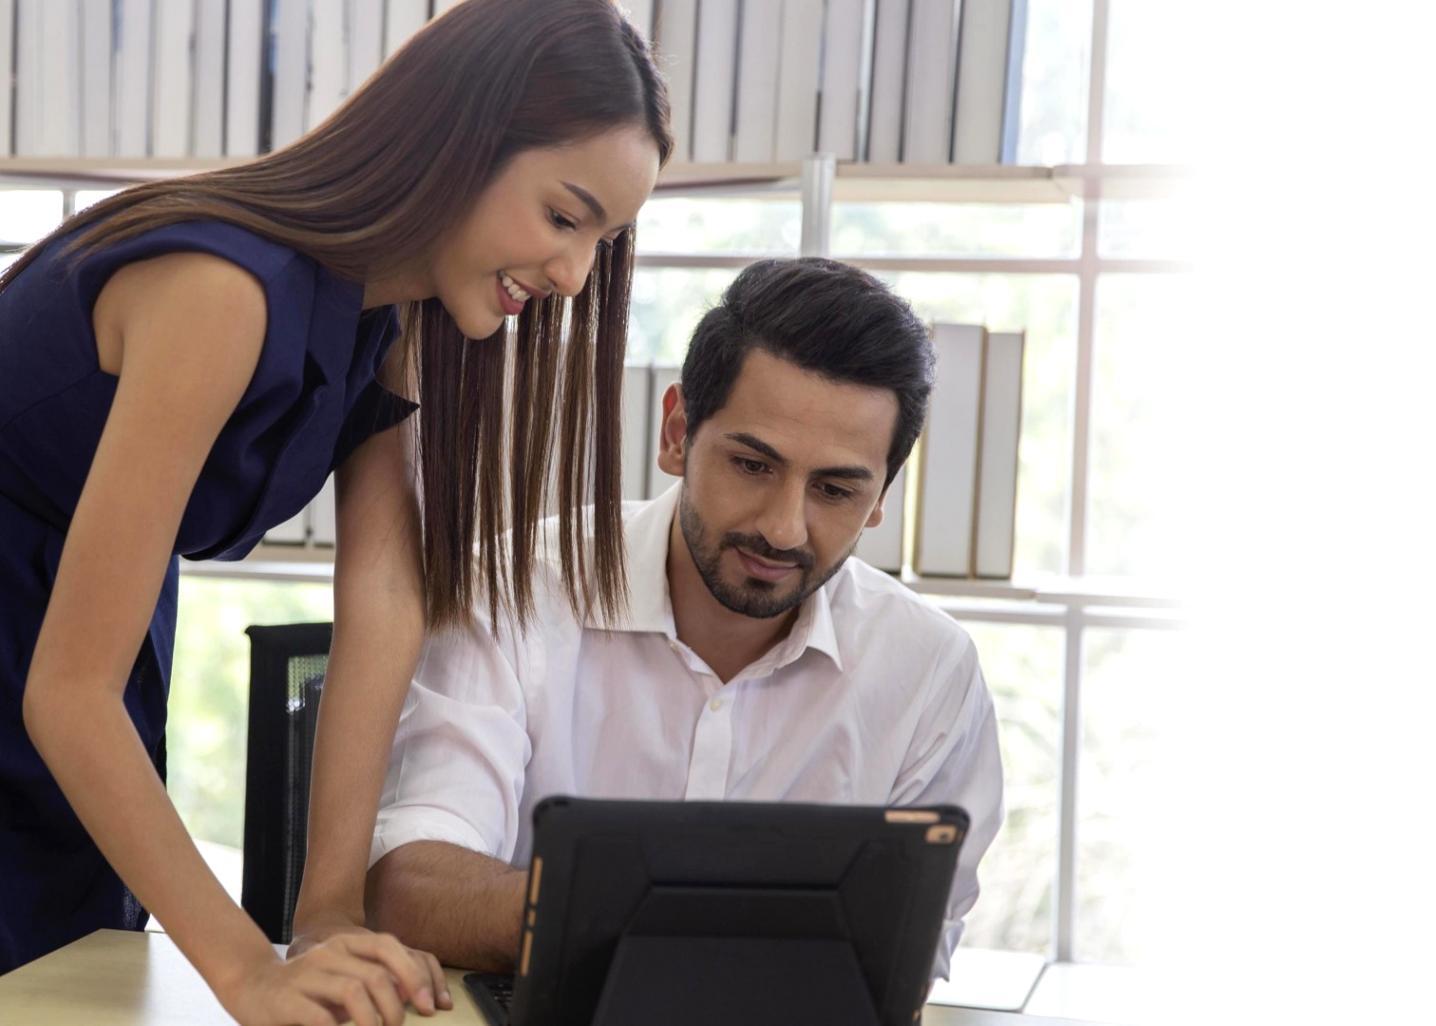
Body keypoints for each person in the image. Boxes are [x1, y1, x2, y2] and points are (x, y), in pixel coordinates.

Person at [0, 2, 670, 1023]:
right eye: (564, 216)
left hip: (74, 635)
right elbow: (68, 691)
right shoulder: (223, 291)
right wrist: (247, 968)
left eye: (604, 240)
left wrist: (327, 913)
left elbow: (386, 595)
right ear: (460, 139)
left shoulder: (386, 318)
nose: (577, 275)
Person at [365, 258, 1005, 980]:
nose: (784, 528)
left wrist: (614, 916)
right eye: (752, 465)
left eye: (833, 489)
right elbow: (410, 885)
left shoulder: (928, 669)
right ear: (676, 432)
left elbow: (910, 952)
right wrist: (710, 928)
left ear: (881, 496)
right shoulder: (513, 587)